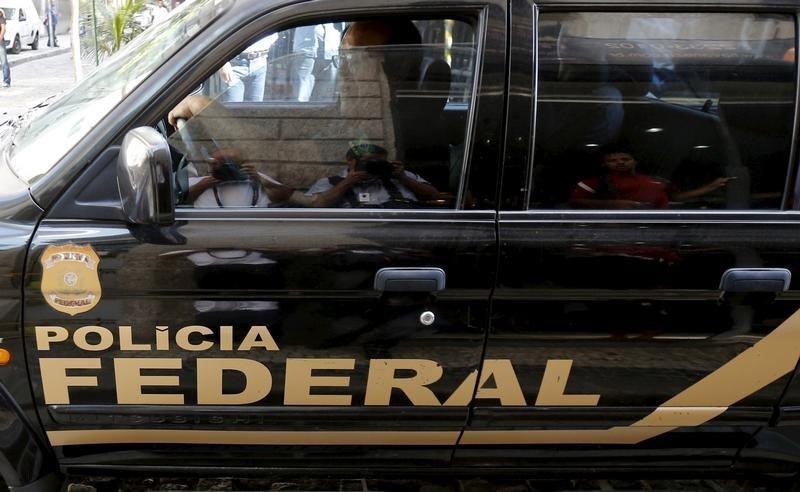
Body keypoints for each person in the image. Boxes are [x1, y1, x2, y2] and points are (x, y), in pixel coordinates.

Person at [569, 145, 736, 209]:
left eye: (625, 159)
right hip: (617, 232)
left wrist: (712, 186)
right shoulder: (593, 182)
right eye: (613, 160)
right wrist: (617, 204)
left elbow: (677, 197)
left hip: (659, 229)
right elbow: (575, 202)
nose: (620, 163)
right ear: (604, 164)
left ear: (635, 161)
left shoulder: (657, 181)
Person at [305, 142, 439, 207]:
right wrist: (347, 182)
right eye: (368, 162)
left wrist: (402, 178)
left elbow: (434, 196)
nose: (374, 165)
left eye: (379, 161)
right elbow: (314, 205)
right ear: (350, 161)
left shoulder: (400, 176)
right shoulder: (329, 182)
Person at [186, 148, 293, 208]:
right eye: (219, 163)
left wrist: (260, 179)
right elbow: (176, 202)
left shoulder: (256, 179)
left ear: (244, 164)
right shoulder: (198, 183)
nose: (226, 168)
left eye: (231, 162)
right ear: (209, 165)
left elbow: (286, 196)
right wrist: (201, 186)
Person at [219, 34, 277, 102]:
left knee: (254, 110)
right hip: (234, 64)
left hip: (260, 62)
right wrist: (223, 62)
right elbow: (218, 32)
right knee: (233, 109)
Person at [0, 9, 9, 87]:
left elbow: (3, 29)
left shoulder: (1, 17)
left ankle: (6, 81)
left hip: (0, 43)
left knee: (4, 62)